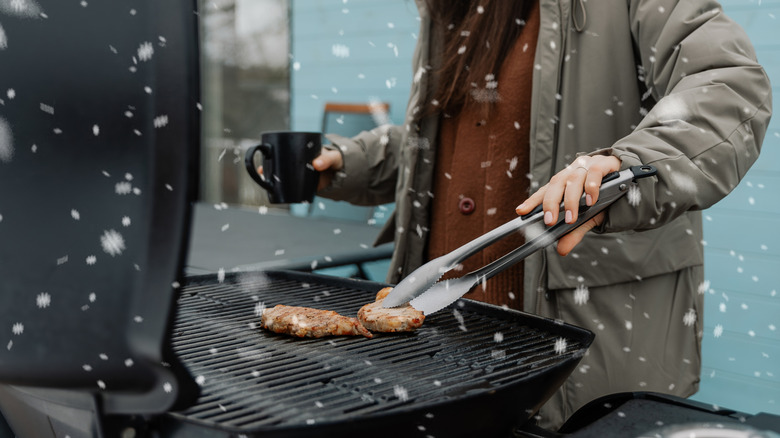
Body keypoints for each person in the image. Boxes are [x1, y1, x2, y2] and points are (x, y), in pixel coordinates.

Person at [294, 0, 772, 429]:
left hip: (572, 364)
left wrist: (625, 167)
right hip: (435, 353)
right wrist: (347, 162)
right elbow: (445, 150)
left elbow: (729, 86)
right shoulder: (450, 10)